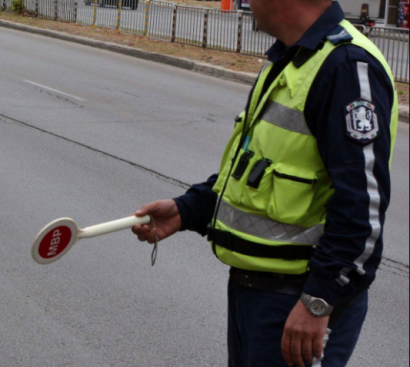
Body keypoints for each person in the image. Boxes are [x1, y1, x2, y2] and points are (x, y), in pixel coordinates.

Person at [132, 1, 399, 366]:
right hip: (255, 294)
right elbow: (253, 171)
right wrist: (186, 210)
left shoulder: (347, 66)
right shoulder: (290, 58)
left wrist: (318, 301)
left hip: (298, 303)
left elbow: (362, 207)